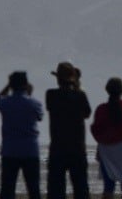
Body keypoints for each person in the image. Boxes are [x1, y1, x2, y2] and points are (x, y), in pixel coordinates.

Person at [46, 61, 92, 199]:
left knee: (56, 190)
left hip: (57, 148)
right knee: (81, 189)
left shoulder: (51, 95)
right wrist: (76, 85)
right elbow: (87, 113)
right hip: (77, 148)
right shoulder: (80, 95)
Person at [0, 72, 43, 199]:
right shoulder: (34, 103)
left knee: (7, 189)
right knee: (33, 188)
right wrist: (29, 94)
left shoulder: (5, 103)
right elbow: (40, 116)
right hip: (30, 150)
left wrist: (7, 87)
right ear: (25, 84)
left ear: (12, 85)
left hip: (10, 150)